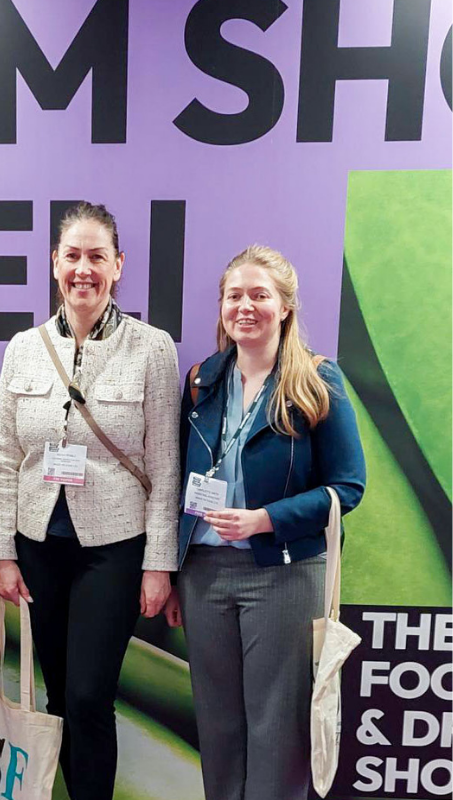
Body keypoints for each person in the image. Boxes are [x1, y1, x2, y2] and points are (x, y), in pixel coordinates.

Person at [0, 201, 181, 800]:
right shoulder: (23, 346)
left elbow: (167, 466)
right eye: (73, 256)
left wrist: (159, 563)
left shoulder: (152, 349)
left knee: (91, 695)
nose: (83, 269)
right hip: (39, 545)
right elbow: (5, 459)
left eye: (97, 257)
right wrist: (1, 553)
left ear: (118, 266)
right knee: (59, 694)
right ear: (54, 264)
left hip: (114, 550)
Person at [165, 244, 366, 800]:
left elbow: (347, 487)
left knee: (278, 732)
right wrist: (175, 568)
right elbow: (181, 475)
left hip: (283, 574)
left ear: (285, 307)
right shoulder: (202, 380)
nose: (245, 306)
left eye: (260, 295)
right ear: (222, 307)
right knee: (219, 728)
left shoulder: (317, 380)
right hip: (204, 574)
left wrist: (263, 519)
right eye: (234, 295)